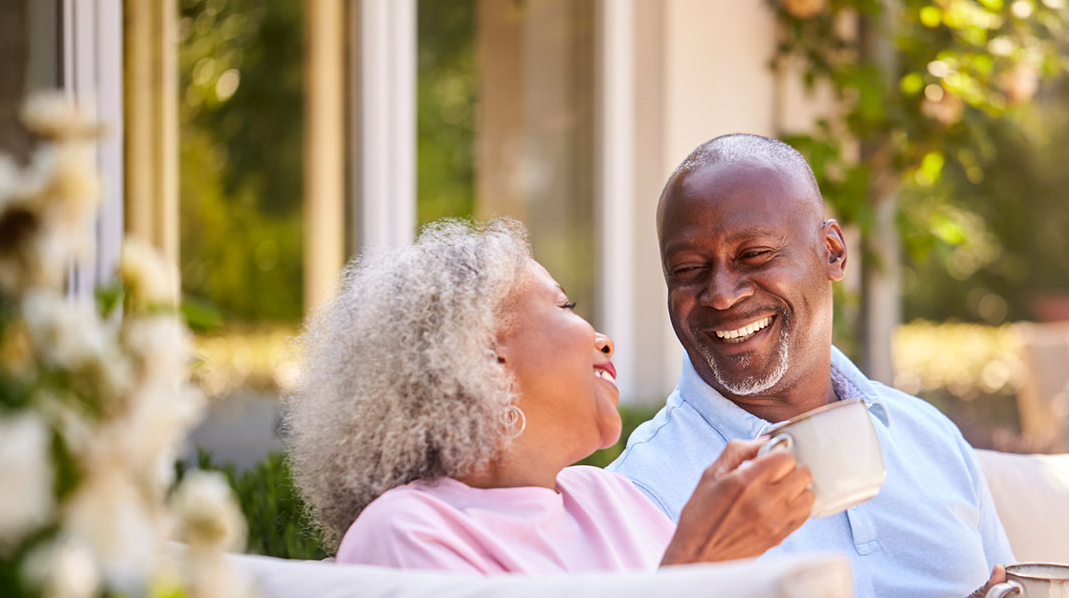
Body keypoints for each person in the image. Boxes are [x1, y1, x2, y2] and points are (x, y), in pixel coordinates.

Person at [608, 133, 1069, 598]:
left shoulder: (926, 435)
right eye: (689, 269)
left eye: (755, 255)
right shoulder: (645, 489)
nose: (720, 294)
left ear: (832, 251)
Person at [285, 218, 813, 574]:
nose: (603, 339)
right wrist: (699, 563)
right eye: (564, 307)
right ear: (483, 358)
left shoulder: (614, 500)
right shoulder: (407, 532)